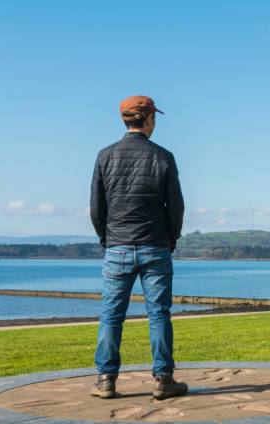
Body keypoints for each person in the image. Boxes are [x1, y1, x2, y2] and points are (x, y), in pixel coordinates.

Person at [89, 95, 187, 400]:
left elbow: (97, 208)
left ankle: (106, 379)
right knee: (159, 314)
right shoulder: (163, 156)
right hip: (155, 245)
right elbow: (176, 207)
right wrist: (171, 239)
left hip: (117, 246)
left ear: (124, 119)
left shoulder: (105, 156)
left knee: (111, 315)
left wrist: (107, 240)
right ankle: (164, 379)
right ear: (149, 119)